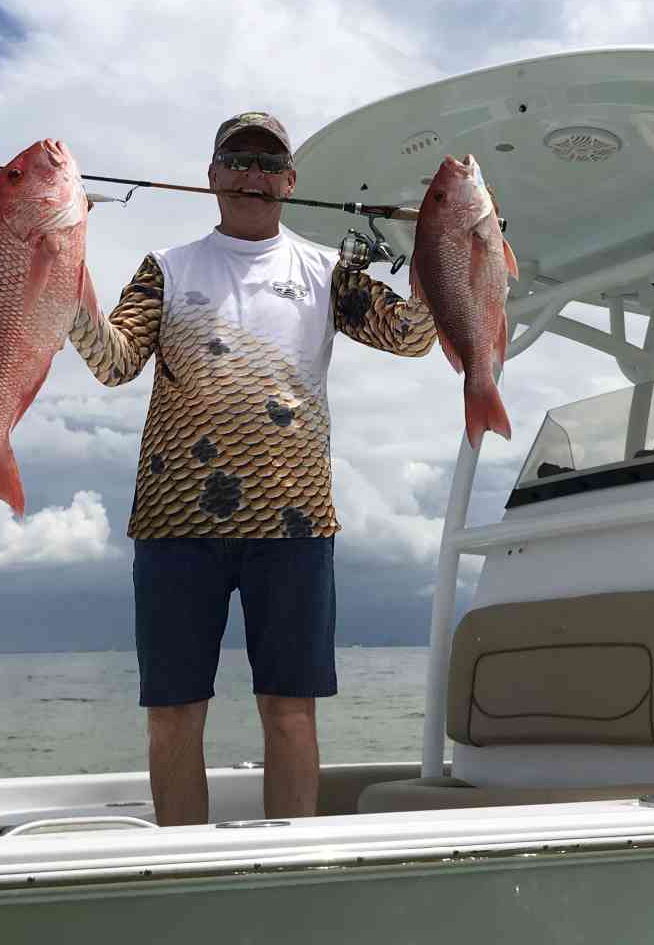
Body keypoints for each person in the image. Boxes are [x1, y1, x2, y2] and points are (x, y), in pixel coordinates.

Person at [69, 112, 436, 825]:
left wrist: (437, 242)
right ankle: (181, 870)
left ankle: (290, 869)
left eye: (268, 165)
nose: (251, 176)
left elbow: (414, 337)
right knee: (173, 717)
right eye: (237, 160)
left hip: (294, 523)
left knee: (291, 715)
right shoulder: (166, 268)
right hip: (174, 524)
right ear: (210, 174)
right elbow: (113, 362)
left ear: (291, 183)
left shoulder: (331, 270)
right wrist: (63, 275)